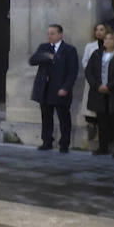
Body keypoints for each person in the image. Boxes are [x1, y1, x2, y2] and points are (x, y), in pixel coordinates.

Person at [29, 24, 79, 153]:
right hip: (45, 88)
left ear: (60, 34)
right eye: (48, 33)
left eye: (52, 33)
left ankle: (64, 144)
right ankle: (47, 141)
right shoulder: (44, 47)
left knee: (64, 117)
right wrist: (47, 56)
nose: (49, 36)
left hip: (60, 89)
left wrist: (66, 88)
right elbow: (33, 60)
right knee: (46, 116)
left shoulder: (69, 50)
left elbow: (73, 71)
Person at [85, 29, 114, 157]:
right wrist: (97, 85)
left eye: (110, 39)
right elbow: (89, 71)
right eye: (106, 39)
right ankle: (103, 147)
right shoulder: (97, 54)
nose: (107, 41)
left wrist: (109, 86)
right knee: (102, 122)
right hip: (99, 93)